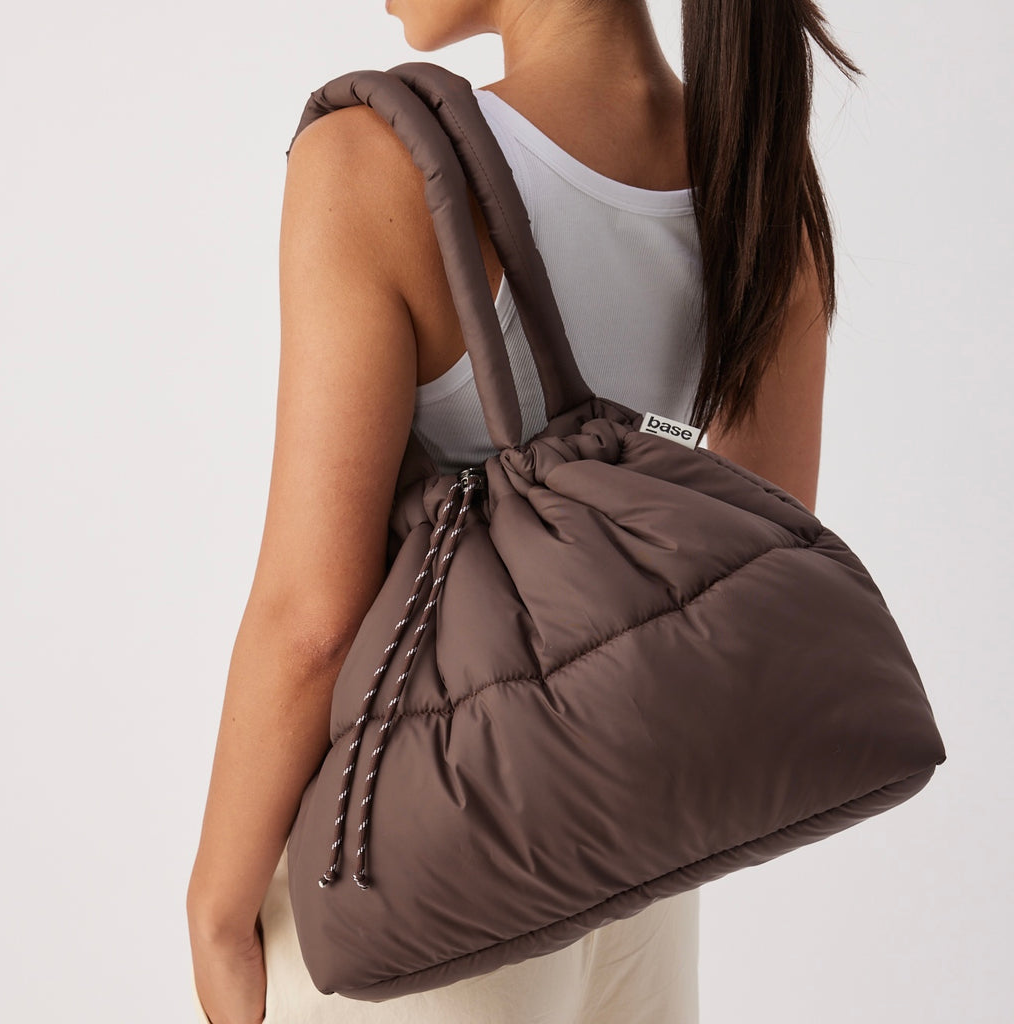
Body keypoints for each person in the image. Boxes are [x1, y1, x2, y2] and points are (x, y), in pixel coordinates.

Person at [186, 1, 861, 1021]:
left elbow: (312, 623)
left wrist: (216, 905)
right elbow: (755, 551)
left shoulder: (375, 163)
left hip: (420, 866)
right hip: (643, 876)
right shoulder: (759, 177)